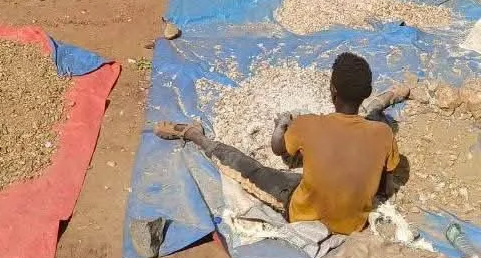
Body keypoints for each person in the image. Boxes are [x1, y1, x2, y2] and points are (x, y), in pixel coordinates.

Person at [153, 53, 405, 235]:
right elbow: (385, 181)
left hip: (306, 215)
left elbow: (278, 149)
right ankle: (387, 97)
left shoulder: (308, 124)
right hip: (353, 224)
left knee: (251, 169)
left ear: (332, 90)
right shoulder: (383, 133)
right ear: (367, 92)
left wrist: (282, 124)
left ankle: (194, 135)